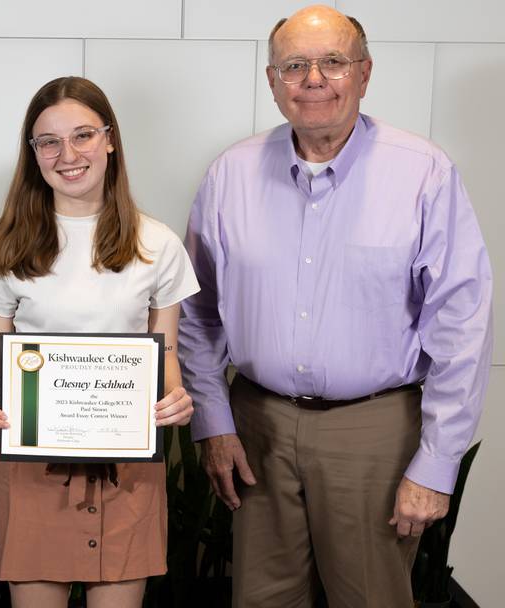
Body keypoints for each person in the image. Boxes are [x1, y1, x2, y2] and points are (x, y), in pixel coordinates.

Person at [178, 6, 493, 607]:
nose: (313, 79)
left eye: (332, 62)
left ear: (365, 74)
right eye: (294, 65)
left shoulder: (423, 173)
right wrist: (214, 424)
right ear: (272, 81)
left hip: (373, 430)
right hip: (256, 427)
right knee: (260, 599)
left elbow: (462, 326)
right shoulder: (230, 175)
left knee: (371, 599)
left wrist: (437, 462)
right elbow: (197, 314)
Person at [0, 76, 200, 608]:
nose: (67, 154)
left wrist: (176, 403)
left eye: (83, 135)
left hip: (128, 477)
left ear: (110, 139)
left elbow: (167, 367)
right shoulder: (4, 247)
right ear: (33, 154)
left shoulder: (156, 244)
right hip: (31, 476)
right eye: (48, 141)